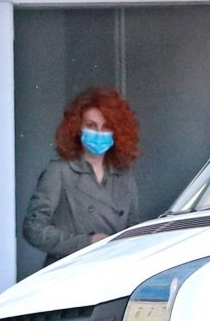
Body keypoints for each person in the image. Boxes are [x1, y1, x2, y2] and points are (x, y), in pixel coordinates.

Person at [23, 86, 141, 266]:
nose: (99, 133)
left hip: (112, 269)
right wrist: (87, 243)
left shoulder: (123, 176)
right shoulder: (59, 171)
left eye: (106, 127)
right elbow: (33, 228)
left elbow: (133, 232)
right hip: (70, 270)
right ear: (77, 128)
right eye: (91, 126)